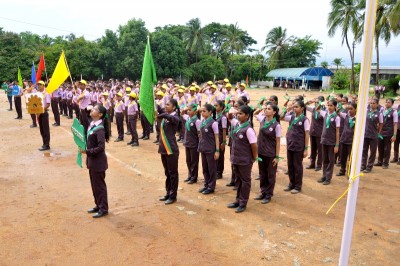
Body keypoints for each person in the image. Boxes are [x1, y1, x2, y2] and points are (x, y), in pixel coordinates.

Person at [80, 104, 110, 218]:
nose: (92, 110)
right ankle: (98, 205)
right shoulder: (93, 124)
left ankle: (103, 208)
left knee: (99, 186)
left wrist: (87, 151)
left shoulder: (100, 129)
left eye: (95, 109)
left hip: (98, 162)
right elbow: (85, 116)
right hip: (92, 161)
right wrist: (86, 109)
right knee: (94, 185)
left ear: (100, 114)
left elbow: (101, 147)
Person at [226, 105, 258, 213]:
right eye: (238, 113)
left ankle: (243, 202)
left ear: (247, 116)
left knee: (245, 181)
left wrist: (254, 158)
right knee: (238, 180)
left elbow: (253, 145)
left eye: (241, 114)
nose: (238, 115)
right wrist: (232, 111)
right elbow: (229, 117)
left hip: (245, 159)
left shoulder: (248, 129)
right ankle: (237, 200)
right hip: (236, 158)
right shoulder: (237, 124)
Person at [254, 103, 281, 204]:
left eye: (269, 109)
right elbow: (254, 113)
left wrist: (277, 156)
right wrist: (261, 107)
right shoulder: (262, 120)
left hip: (270, 154)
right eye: (265, 109)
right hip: (261, 152)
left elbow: (278, 141)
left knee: (270, 175)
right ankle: (263, 192)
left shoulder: (276, 125)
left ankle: (268, 194)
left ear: (274, 112)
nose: (266, 110)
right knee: (262, 174)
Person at [157, 99, 180, 205]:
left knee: (173, 173)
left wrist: (163, 114)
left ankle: (173, 195)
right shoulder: (166, 115)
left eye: (168, 104)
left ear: (174, 107)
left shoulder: (174, 117)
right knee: (167, 172)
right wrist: (155, 104)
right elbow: (161, 111)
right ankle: (168, 192)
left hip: (171, 149)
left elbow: (171, 118)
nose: (165, 106)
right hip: (163, 149)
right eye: (165, 104)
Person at [284, 100, 310, 193]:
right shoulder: (292, 117)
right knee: (290, 165)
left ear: (302, 108)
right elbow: (281, 117)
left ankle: (298, 186)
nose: (294, 108)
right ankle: (291, 184)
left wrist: (306, 149)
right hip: (290, 144)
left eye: (296, 107)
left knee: (297, 166)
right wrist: (288, 109)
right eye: (294, 107)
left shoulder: (305, 119)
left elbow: (307, 134)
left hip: (299, 146)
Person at [198, 104, 220, 195]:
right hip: (203, 148)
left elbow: (217, 137)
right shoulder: (203, 121)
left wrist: (217, 150)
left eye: (204, 111)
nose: (202, 113)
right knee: (205, 168)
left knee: (211, 169)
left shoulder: (213, 123)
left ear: (210, 112)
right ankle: (206, 184)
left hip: (210, 149)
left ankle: (211, 186)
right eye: (201, 111)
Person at [317, 100, 340, 185]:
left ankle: (328, 177)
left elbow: (337, 132)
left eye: (331, 106)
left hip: (331, 142)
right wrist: (320, 103)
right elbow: (317, 109)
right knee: (325, 159)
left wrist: (337, 145)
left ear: (335, 107)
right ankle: (324, 175)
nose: (329, 107)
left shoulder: (337, 117)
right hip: (324, 140)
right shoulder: (325, 114)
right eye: (328, 105)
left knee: (331, 160)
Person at [361, 98, 383, 173]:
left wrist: (378, 133)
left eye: (374, 103)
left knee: (372, 151)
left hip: (373, 135)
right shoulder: (367, 111)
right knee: (364, 150)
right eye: (371, 103)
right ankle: (363, 165)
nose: (372, 104)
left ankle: (369, 166)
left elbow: (381, 124)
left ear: (377, 105)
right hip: (366, 134)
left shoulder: (379, 113)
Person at [181, 104, 201, 184]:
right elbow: (182, 114)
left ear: (195, 111)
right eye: (187, 110)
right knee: (188, 160)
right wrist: (185, 109)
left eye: (190, 110)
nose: (188, 111)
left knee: (194, 161)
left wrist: (199, 144)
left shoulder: (197, 121)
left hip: (194, 143)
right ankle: (190, 175)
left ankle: (194, 177)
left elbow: (199, 134)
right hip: (187, 142)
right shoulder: (188, 118)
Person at [376, 98, 398, 169]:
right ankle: (380, 161)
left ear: (392, 104)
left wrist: (394, 135)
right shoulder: (382, 110)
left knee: (387, 148)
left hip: (389, 133)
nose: (386, 103)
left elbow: (395, 124)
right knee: (380, 147)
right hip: (381, 132)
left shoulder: (394, 112)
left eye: (388, 102)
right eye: (386, 102)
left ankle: (385, 163)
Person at [337, 102, 357, 176]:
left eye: (351, 109)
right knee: (343, 156)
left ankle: (350, 172)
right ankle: (342, 170)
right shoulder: (346, 116)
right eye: (348, 109)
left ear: (355, 110)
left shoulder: (357, 118)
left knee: (351, 158)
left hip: (351, 141)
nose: (349, 110)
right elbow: (337, 112)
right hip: (344, 139)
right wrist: (343, 107)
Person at [306, 96, 325, 171]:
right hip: (313, 132)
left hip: (320, 133)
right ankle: (312, 163)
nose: (316, 103)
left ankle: (319, 164)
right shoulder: (313, 109)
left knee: (320, 150)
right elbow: (304, 106)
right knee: (313, 149)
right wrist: (310, 101)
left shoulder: (324, 111)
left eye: (318, 102)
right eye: (315, 102)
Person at [37, 81, 51, 151]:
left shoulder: (46, 94)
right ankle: (44, 143)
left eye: (40, 85)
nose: (39, 86)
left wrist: (41, 109)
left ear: (43, 85)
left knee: (45, 130)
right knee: (41, 129)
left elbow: (48, 104)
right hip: (39, 113)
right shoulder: (38, 94)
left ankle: (47, 145)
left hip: (44, 113)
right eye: (38, 85)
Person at [215, 100, 228, 179]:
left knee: (220, 156)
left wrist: (224, 142)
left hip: (220, 138)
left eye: (216, 106)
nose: (215, 107)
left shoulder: (223, 118)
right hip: (215, 139)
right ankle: (216, 170)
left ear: (221, 107)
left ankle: (219, 172)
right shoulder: (215, 116)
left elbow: (224, 130)